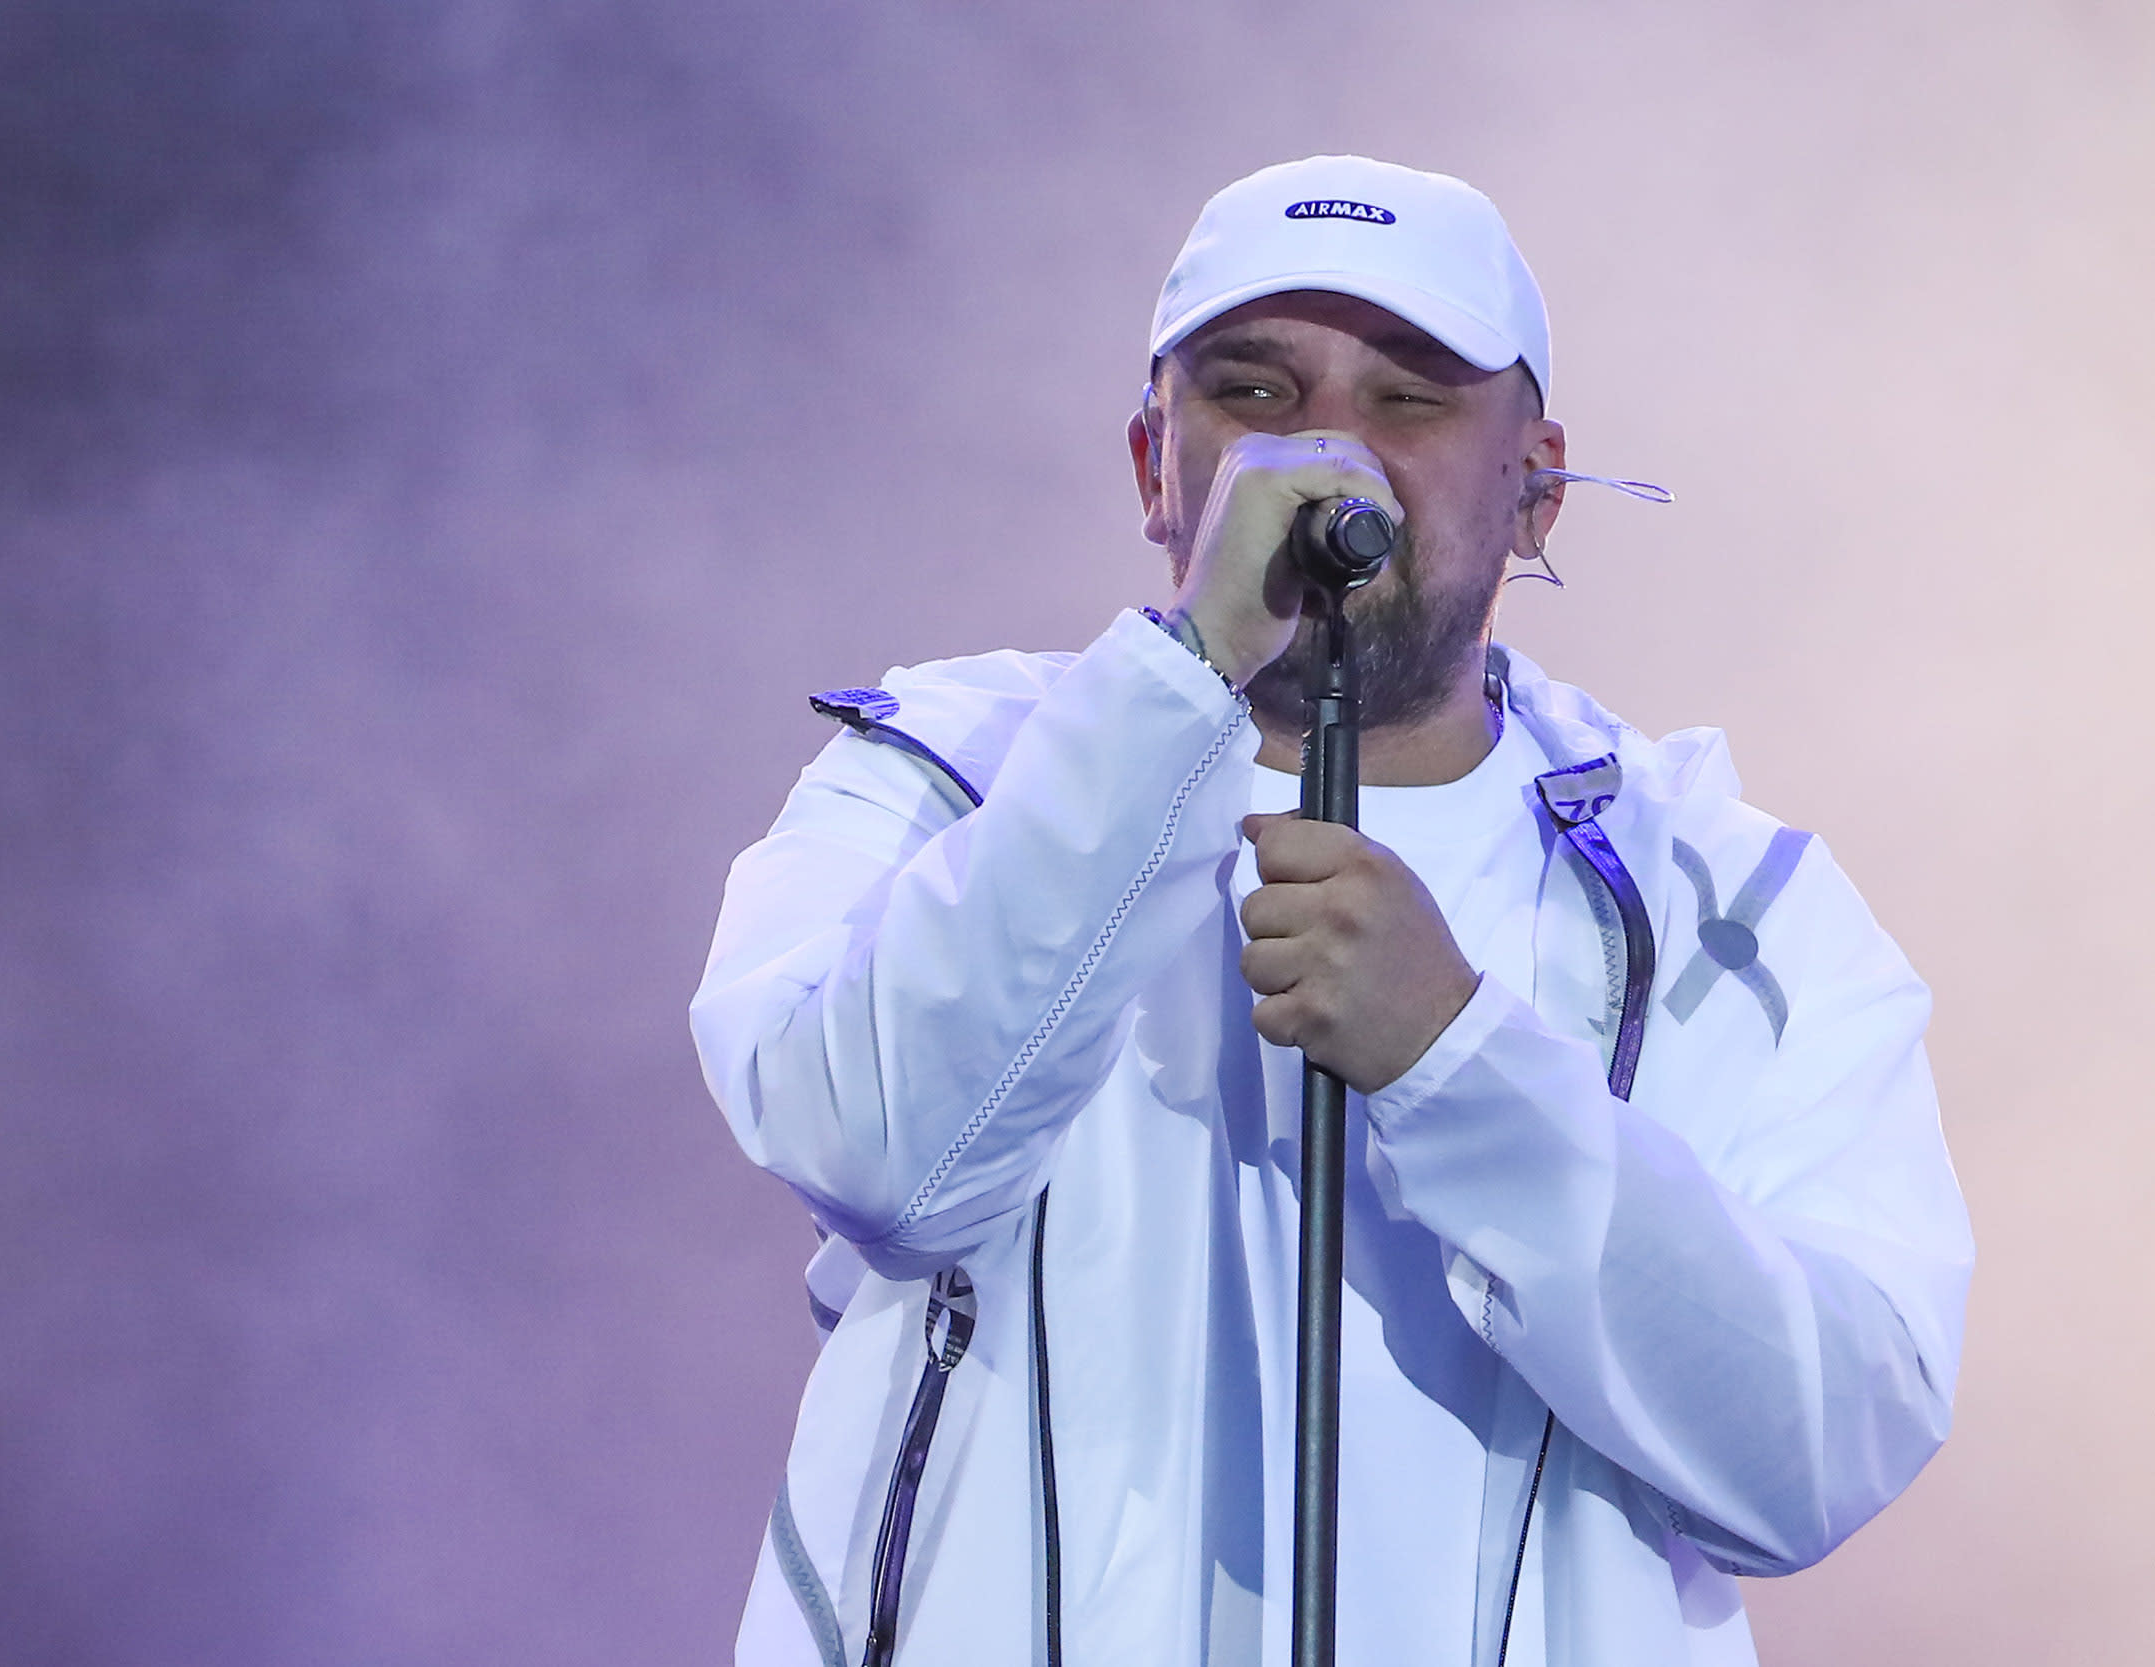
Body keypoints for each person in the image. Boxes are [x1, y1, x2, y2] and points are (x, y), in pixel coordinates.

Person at [689, 155, 1971, 1667]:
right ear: (1153, 465)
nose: (1328, 456)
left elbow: (1820, 1448)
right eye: (1254, 392)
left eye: (1409, 399)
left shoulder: (1730, 905)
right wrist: (1183, 675)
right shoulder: (940, 778)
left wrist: (1458, 1061)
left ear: (1537, 485)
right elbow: (875, 1154)